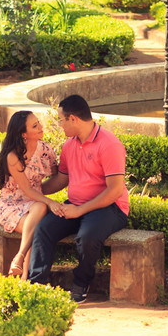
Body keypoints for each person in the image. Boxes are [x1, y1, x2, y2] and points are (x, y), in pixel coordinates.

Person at [28, 94, 129, 303]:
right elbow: (61, 180)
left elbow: (115, 190)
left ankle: (81, 282)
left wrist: (80, 210)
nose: (60, 125)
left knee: (87, 237)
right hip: (75, 206)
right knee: (44, 228)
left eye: (61, 120)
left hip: (110, 208)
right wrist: (32, 190)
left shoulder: (109, 144)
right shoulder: (69, 145)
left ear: (73, 118)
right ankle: (35, 286)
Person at [0, 110, 63, 278]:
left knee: (38, 210)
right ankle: (25, 276)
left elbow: (57, 175)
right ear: (23, 134)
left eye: (38, 123)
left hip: (34, 202)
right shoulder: (13, 156)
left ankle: (20, 260)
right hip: (11, 204)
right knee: (35, 225)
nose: (40, 127)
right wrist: (50, 202)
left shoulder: (46, 149)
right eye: (35, 126)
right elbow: (27, 189)